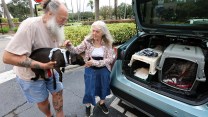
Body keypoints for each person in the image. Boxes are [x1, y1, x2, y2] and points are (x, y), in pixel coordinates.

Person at [3, 0, 68, 117]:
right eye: (62, 19)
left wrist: (64, 47)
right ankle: (49, 115)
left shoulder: (55, 26)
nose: (65, 22)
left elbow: (50, 46)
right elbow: (7, 57)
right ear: (50, 14)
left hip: (51, 71)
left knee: (58, 93)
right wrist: (42, 66)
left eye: (66, 19)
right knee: (43, 101)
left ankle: (60, 115)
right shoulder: (31, 25)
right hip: (30, 76)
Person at [64, 20, 114, 116]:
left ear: (103, 32)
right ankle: (88, 105)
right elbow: (76, 50)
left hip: (103, 70)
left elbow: (110, 59)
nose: (94, 33)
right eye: (93, 30)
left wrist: (95, 62)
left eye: (97, 31)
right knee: (89, 89)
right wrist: (69, 46)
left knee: (103, 87)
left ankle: (102, 103)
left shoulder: (107, 43)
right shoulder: (87, 42)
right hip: (90, 69)